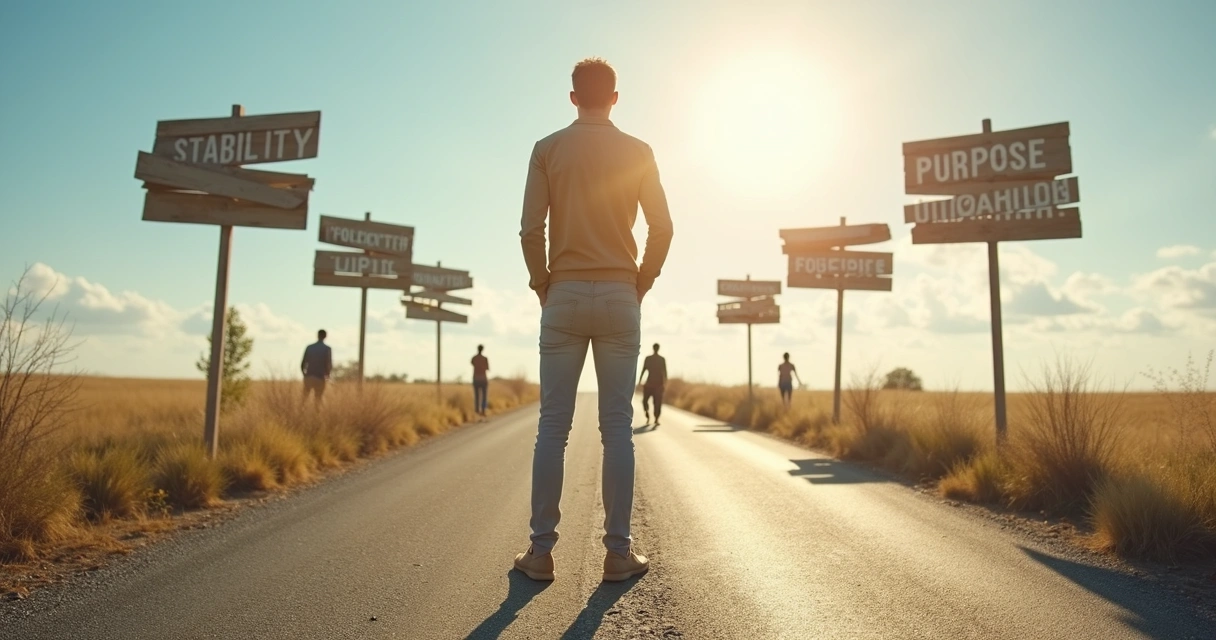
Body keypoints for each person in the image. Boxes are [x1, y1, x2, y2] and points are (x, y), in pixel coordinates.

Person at [515, 57, 674, 583]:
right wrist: (641, 281)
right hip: (618, 293)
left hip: (561, 292)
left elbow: (529, 229)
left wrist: (543, 283)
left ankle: (539, 553)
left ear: (572, 96)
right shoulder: (639, 151)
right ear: (615, 97)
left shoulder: (547, 148)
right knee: (617, 431)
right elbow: (663, 228)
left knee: (552, 429)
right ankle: (618, 553)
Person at [638, 343, 667, 426]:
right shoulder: (655, 359)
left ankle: (655, 418)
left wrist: (640, 381)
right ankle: (650, 415)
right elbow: (665, 372)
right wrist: (665, 383)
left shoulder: (654, 359)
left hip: (655, 385)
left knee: (656, 402)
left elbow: (664, 372)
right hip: (653, 384)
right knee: (651, 401)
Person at [301, 329, 332, 405]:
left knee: (304, 398)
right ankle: (316, 415)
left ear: (317, 335)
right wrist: (328, 374)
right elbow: (328, 363)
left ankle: (301, 412)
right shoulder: (327, 349)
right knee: (318, 398)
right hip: (320, 377)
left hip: (309, 376)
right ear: (325, 336)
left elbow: (303, 362)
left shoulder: (309, 347)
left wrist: (304, 374)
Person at [471, 345, 490, 417]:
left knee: (476, 396)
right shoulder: (485, 359)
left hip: (476, 378)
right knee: (484, 396)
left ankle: (477, 410)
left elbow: (472, 364)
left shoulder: (474, 358)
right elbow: (487, 368)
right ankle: (484, 410)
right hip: (483, 379)